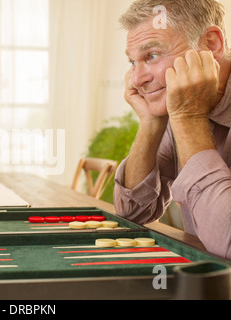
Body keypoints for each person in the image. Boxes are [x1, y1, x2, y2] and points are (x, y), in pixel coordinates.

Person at [113, 0, 231, 260]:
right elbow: (131, 214)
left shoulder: (186, 108)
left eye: (151, 56)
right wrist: (150, 123)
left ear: (211, 45)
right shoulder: (177, 104)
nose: (136, 79)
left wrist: (189, 117)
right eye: (133, 62)